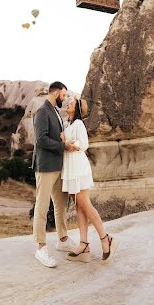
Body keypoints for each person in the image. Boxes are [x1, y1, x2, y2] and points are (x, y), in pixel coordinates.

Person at [60, 96, 119, 263]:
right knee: (79, 206)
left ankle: (106, 238)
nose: (68, 104)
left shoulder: (79, 124)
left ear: (76, 108)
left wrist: (68, 142)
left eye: (71, 103)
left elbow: (84, 144)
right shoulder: (67, 124)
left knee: (85, 204)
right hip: (70, 168)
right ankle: (84, 245)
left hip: (78, 167)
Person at [32, 81, 80, 267]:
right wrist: (64, 146)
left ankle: (63, 239)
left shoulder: (56, 112)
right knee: (42, 207)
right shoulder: (42, 111)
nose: (65, 98)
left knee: (61, 205)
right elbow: (41, 139)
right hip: (45, 167)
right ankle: (41, 248)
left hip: (58, 166)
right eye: (64, 94)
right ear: (57, 92)